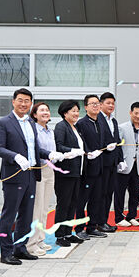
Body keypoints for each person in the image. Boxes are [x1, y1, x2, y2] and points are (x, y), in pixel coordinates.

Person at [0, 89, 57, 265]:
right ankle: (6, 252)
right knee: (9, 215)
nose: (23, 104)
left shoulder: (30, 122)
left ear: (31, 103)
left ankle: (20, 248)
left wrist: (48, 154)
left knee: (26, 214)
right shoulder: (4, 122)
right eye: (20, 100)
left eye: (27, 101)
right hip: (14, 175)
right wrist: (15, 156)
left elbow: (34, 148)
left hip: (31, 174)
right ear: (13, 101)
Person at [52, 100, 87, 247]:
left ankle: (68, 232)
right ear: (65, 112)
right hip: (65, 172)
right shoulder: (61, 126)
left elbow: (81, 146)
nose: (76, 113)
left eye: (77, 111)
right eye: (73, 111)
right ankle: (60, 235)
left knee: (72, 203)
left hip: (76, 171)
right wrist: (72, 151)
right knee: (63, 204)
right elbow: (58, 146)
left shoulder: (75, 127)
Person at [76, 94, 108, 238]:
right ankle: (79, 228)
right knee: (82, 200)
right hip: (87, 169)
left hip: (99, 167)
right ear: (86, 107)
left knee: (96, 199)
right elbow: (80, 143)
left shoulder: (100, 122)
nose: (96, 106)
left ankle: (92, 227)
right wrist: (88, 152)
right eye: (92, 104)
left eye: (97, 103)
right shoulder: (81, 123)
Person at [26, 102, 56, 256]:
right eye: (42, 110)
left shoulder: (50, 131)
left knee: (45, 207)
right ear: (34, 114)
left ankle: (40, 239)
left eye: (47, 110)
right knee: (36, 208)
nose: (45, 112)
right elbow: (36, 150)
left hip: (50, 170)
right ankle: (31, 243)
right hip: (39, 170)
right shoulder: (33, 130)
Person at [115, 102, 139, 227]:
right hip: (124, 165)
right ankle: (119, 218)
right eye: (136, 113)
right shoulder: (122, 127)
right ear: (130, 113)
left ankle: (131, 216)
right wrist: (120, 161)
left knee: (135, 193)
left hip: (137, 165)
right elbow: (118, 146)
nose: (138, 116)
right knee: (120, 193)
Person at [96, 92, 123, 233]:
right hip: (102, 163)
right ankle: (98, 222)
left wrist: (120, 160)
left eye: (113, 103)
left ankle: (104, 221)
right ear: (101, 104)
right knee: (100, 194)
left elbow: (118, 142)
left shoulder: (114, 121)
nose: (111, 105)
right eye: (108, 103)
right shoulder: (98, 119)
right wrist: (106, 148)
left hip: (113, 163)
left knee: (108, 193)